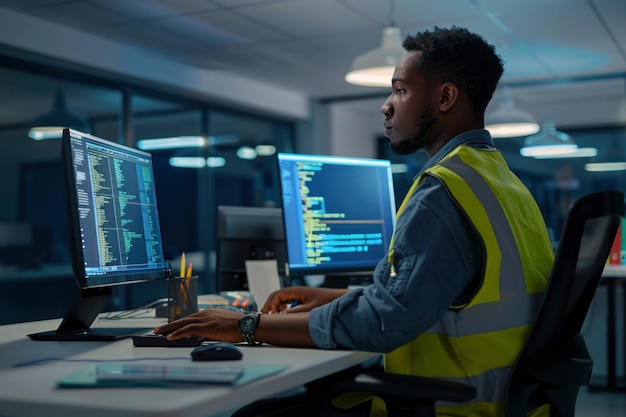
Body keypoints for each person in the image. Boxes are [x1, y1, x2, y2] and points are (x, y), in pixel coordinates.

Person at [155, 26, 555, 417]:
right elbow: (431, 297)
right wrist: (332, 298)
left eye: (400, 90)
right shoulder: (501, 181)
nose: (386, 105)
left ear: (446, 97)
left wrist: (245, 325)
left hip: (457, 405)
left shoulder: (443, 191)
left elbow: (383, 323)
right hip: (504, 397)